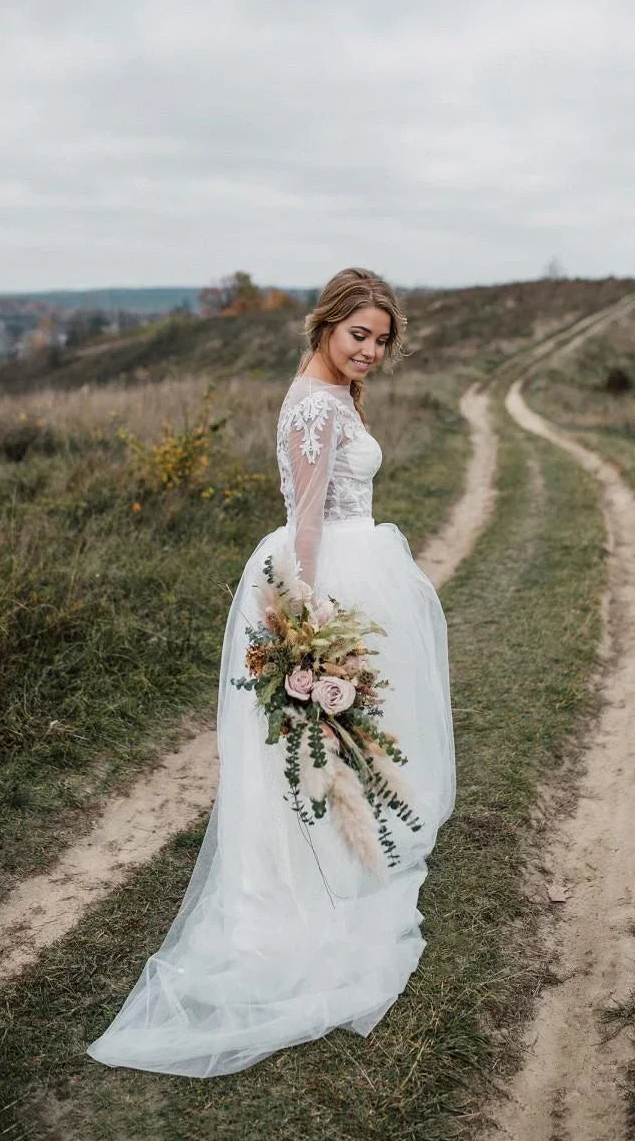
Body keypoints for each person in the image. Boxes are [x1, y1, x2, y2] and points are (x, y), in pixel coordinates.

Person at [87, 267, 456, 1078]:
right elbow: (306, 519)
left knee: (354, 727)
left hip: (359, 557)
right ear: (326, 325)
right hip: (326, 570)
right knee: (327, 725)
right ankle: (315, 866)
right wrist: (313, 611)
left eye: (382, 340)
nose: (370, 350)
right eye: (358, 334)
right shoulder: (315, 404)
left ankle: (351, 842)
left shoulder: (332, 393)